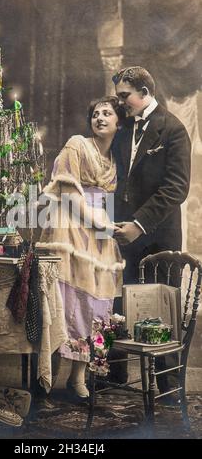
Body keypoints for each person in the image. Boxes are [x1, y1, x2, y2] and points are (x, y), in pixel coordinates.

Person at [110, 66, 191, 394]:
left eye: (124, 96)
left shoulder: (172, 129)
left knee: (161, 307)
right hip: (120, 234)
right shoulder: (122, 127)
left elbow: (177, 188)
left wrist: (139, 225)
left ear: (144, 91)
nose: (120, 103)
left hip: (158, 234)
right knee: (118, 304)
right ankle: (113, 377)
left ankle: (168, 387)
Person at [39, 96, 126, 398]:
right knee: (64, 300)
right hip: (71, 228)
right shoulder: (77, 144)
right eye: (95, 114)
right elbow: (66, 192)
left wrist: (106, 225)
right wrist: (95, 219)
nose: (100, 118)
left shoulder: (115, 160)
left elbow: (106, 200)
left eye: (107, 113)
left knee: (97, 304)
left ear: (118, 122)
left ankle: (79, 378)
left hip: (99, 236)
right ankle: (47, 377)